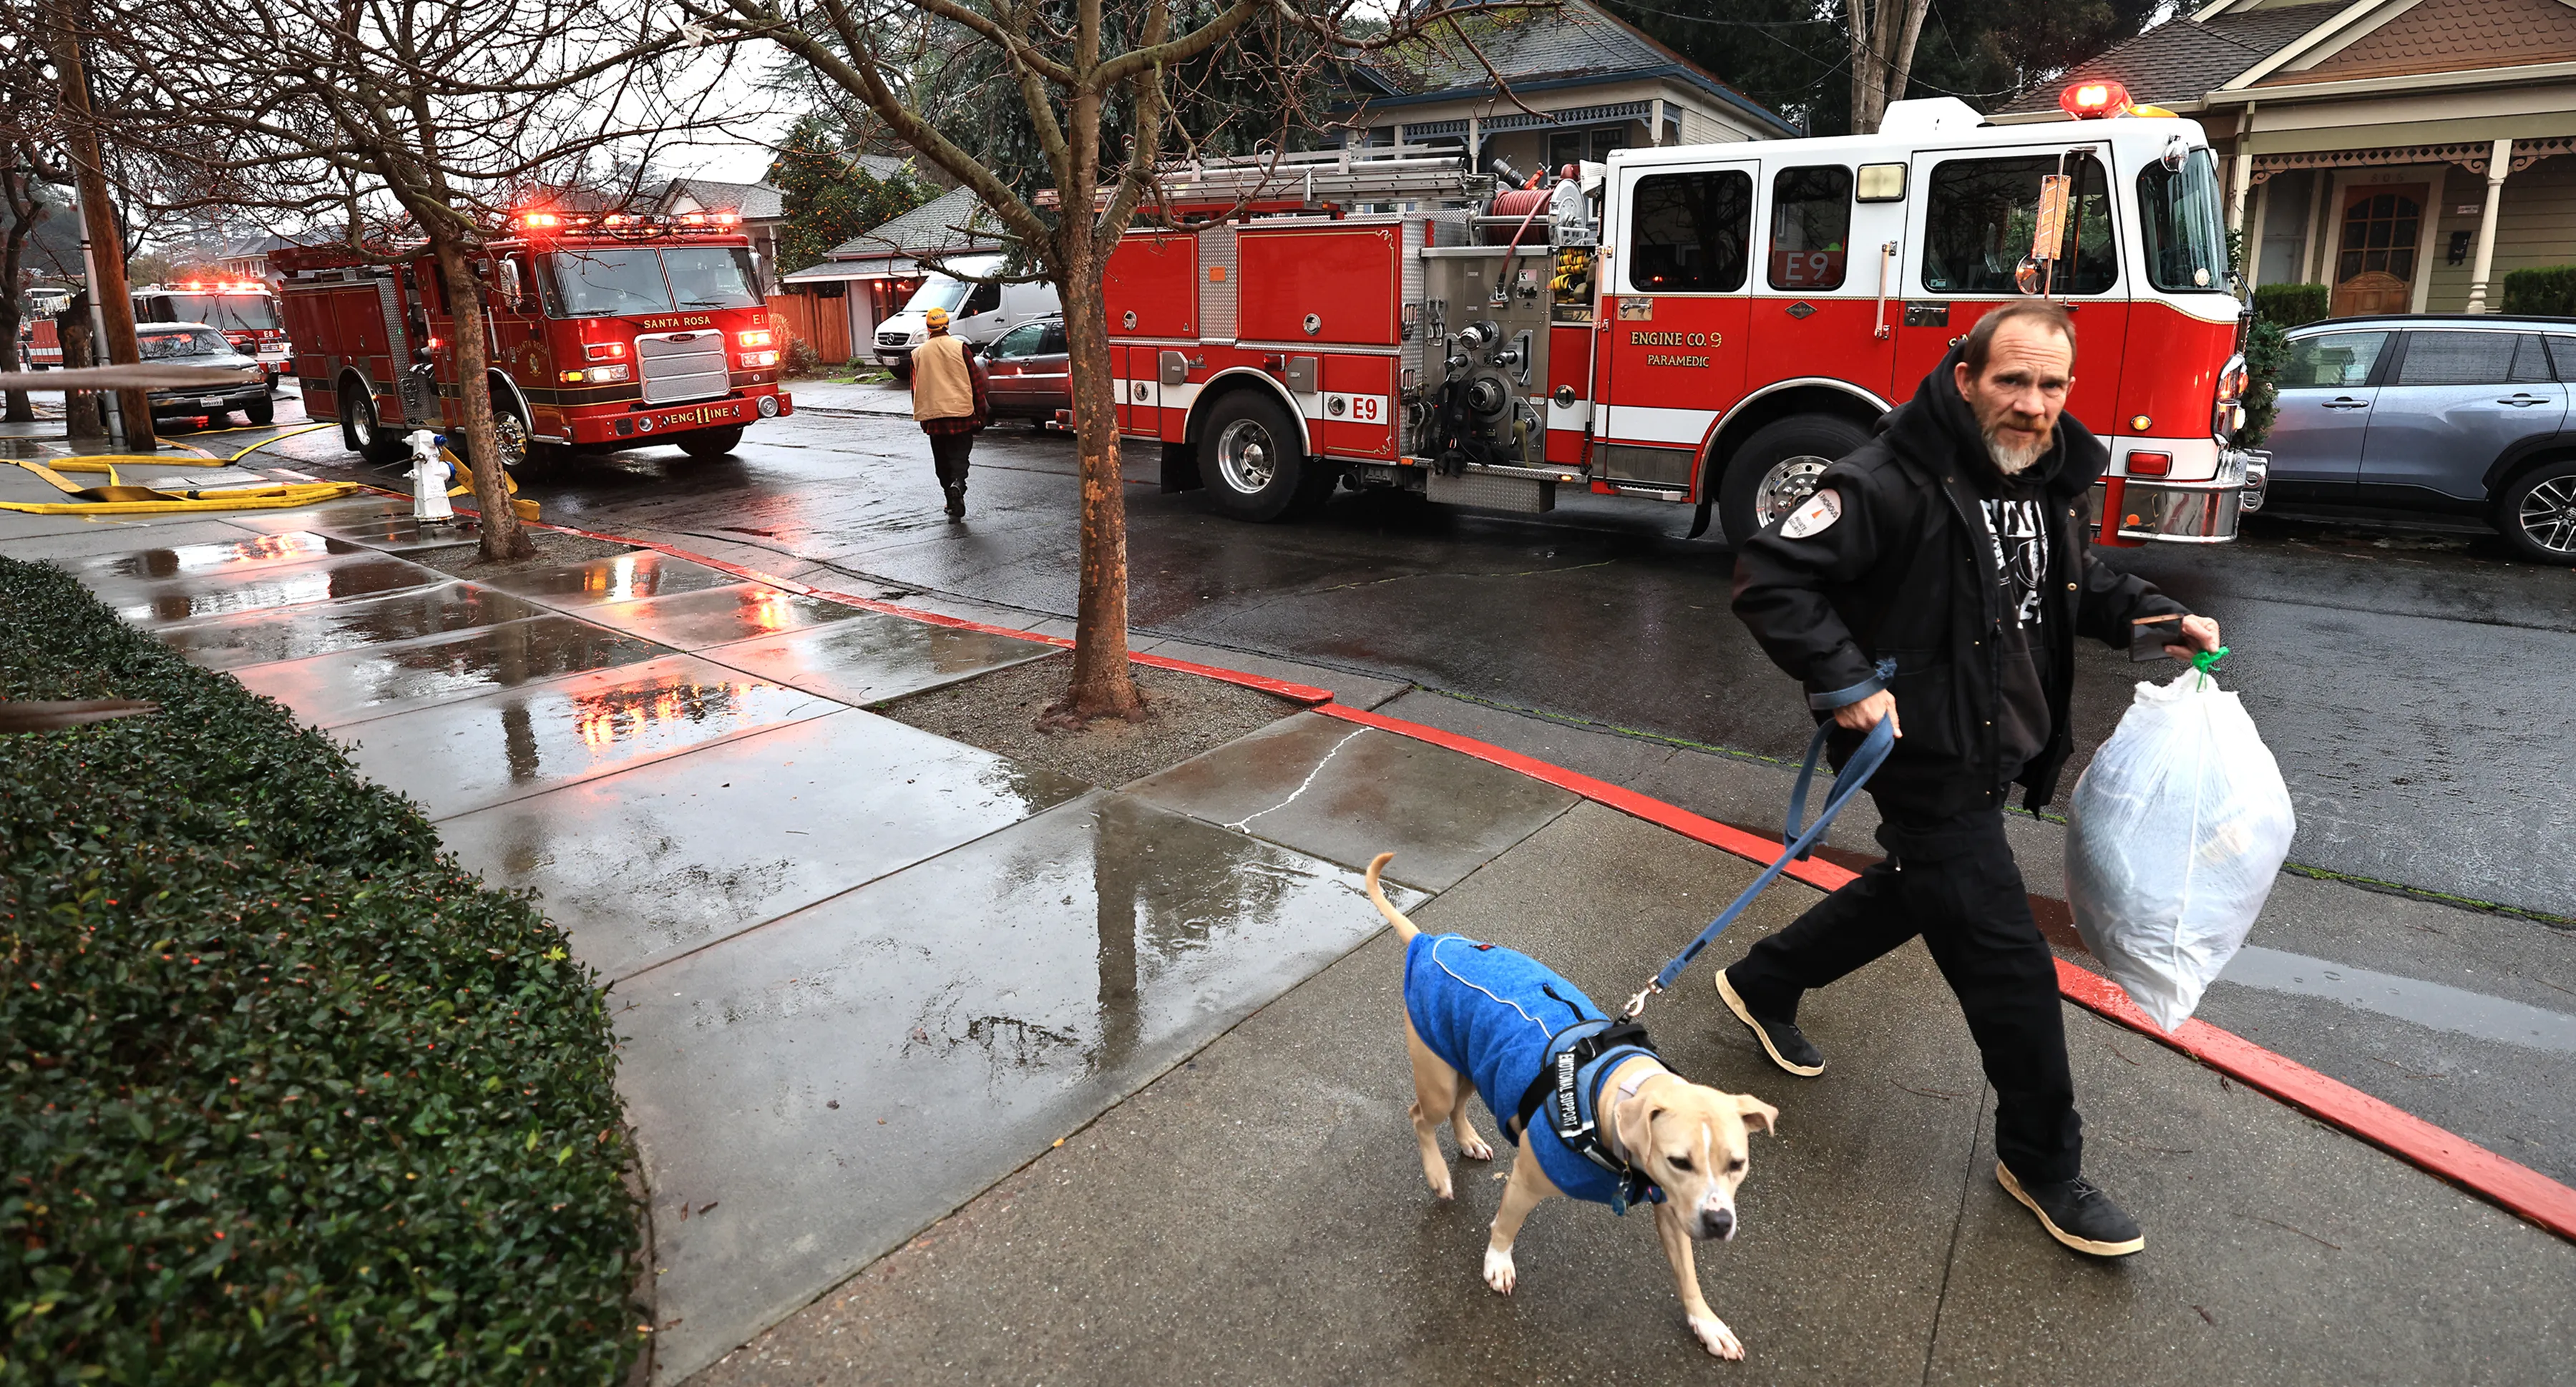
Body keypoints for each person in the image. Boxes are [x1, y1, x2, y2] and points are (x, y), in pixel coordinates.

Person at [1720, 300, 2220, 1259]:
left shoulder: (2046, 475)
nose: (2034, 404)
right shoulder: (1883, 479)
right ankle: (2041, 1159)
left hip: (1999, 740)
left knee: (1919, 889)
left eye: (2051, 385)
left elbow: (2069, 580)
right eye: (2013, 381)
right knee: (2009, 963)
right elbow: (1770, 577)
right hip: (1924, 752)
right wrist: (1845, 679)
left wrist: (2159, 615)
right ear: (1964, 378)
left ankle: (1763, 978)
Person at [909, 306, 989, 519]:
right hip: (961, 413)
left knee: (942, 461)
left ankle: (951, 500)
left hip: (934, 416)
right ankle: (959, 483)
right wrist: (981, 413)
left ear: (928, 328)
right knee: (959, 457)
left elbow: (915, 388)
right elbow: (976, 383)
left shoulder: (918, 354)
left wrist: (922, 418)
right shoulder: (961, 348)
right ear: (947, 326)